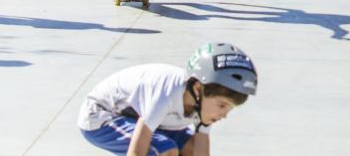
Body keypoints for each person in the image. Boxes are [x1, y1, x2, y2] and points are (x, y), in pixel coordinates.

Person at [78, 43, 256, 154]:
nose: (224, 115)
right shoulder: (164, 92)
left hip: (140, 118)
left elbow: (200, 149)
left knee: (190, 149)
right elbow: (138, 151)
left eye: (229, 108)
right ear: (197, 88)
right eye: (222, 105)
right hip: (101, 118)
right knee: (166, 150)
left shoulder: (202, 103)